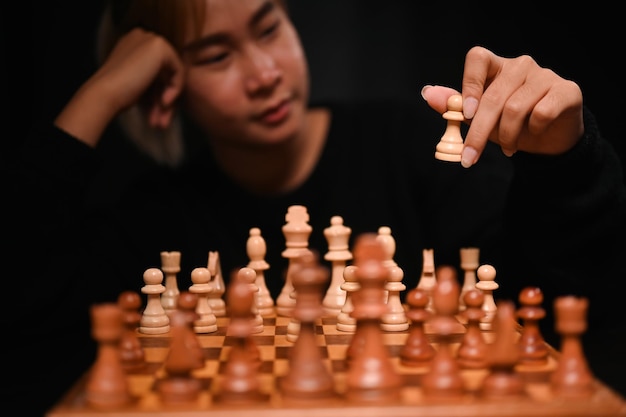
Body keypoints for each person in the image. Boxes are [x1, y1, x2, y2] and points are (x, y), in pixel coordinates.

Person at [4, 0, 625, 415]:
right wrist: (99, 96)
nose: (265, 72)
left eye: (269, 27)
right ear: (164, 84)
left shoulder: (414, 149)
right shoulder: (150, 218)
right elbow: (28, 324)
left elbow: (550, 296)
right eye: (215, 56)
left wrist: (563, 157)